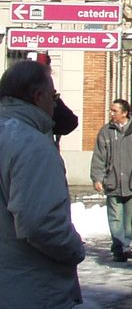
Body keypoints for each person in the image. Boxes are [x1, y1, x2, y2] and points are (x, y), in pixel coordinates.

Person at [0, 61, 85, 308]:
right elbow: (40, 224)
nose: (55, 103)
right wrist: (75, 249)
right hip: (30, 288)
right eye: (54, 95)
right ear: (39, 96)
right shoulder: (33, 146)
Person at [89, 97, 132, 262]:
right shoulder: (106, 132)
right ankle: (119, 248)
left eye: (114, 111)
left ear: (125, 113)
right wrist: (97, 177)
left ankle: (127, 245)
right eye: (111, 110)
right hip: (113, 181)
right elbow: (99, 157)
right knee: (115, 217)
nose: (111, 113)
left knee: (131, 218)